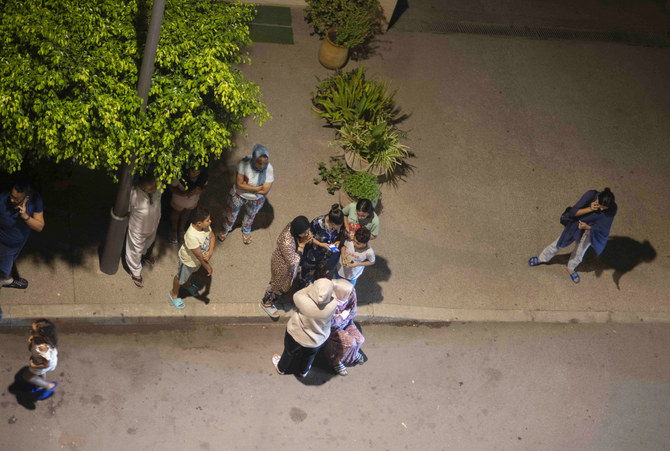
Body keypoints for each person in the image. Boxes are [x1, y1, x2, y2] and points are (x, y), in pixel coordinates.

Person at [529, 188, 617, 284]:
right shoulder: (591, 195)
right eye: (600, 206)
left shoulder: (612, 209)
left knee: (580, 252)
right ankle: (542, 258)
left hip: (590, 231)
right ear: (598, 199)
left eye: (604, 209)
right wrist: (590, 209)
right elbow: (573, 213)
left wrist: (588, 227)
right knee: (559, 243)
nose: (601, 209)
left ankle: (571, 267)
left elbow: (604, 228)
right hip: (576, 226)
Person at [272, 278, 337, 377]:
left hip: (296, 334)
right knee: (309, 355)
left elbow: (297, 294)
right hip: (317, 340)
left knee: (289, 351)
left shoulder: (304, 301)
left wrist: (311, 286)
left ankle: (281, 368)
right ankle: (303, 371)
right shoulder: (333, 304)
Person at [217, 144, 274, 245]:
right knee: (231, 213)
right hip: (238, 195)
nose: (262, 166)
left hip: (256, 199)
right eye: (259, 163)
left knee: (250, 216)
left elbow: (265, 190)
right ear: (254, 158)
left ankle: (246, 230)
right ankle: (226, 228)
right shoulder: (244, 164)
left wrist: (246, 187)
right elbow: (239, 185)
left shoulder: (269, 169)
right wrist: (257, 188)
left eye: (264, 163)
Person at [260, 216, 313, 319]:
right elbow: (293, 262)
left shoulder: (293, 228)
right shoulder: (286, 241)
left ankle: (276, 296)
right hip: (282, 266)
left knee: (284, 284)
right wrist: (302, 245)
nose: (307, 234)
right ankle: (266, 302)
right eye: (305, 232)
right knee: (276, 285)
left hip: (288, 263)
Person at [0, 181, 45, 289]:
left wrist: (25, 216)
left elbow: (39, 226)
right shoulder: (2, 200)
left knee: (10, 262)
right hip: (5, 245)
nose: (11, 200)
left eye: (16, 198)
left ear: (26, 197)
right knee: (3, 271)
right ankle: (6, 280)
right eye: (11, 195)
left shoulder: (35, 198)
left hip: (20, 241)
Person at [169, 207, 215, 309]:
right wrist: (208, 267)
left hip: (196, 262)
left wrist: (210, 252)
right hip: (188, 262)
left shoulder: (205, 227)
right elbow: (198, 255)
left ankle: (187, 284)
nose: (210, 221)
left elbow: (212, 236)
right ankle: (173, 294)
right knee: (180, 277)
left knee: (189, 274)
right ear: (199, 223)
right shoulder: (192, 236)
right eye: (207, 220)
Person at [125, 174, 162, 288]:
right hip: (138, 229)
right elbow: (127, 209)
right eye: (150, 188)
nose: (154, 189)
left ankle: (144, 254)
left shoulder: (158, 187)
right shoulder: (134, 194)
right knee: (134, 250)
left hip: (153, 225)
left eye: (154, 186)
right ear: (141, 186)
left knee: (149, 242)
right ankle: (135, 272)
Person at [323, 279, 366, 376]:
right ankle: (335, 361)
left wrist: (342, 317)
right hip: (333, 330)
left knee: (360, 340)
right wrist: (343, 316)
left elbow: (353, 311)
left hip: (346, 322)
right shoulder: (328, 301)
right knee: (350, 343)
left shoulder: (350, 292)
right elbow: (331, 323)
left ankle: (352, 355)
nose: (350, 295)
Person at [298, 204, 344, 286]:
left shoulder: (339, 222)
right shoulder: (317, 223)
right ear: (331, 221)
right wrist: (321, 244)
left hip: (326, 253)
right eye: (336, 226)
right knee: (308, 268)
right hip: (313, 252)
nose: (338, 228)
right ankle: (303, 281)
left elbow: (340, 234)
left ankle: (313, 277)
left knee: (319, 268)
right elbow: (308, 236)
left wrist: (338, 241)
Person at [169, 167, 208, 244]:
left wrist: (201, 190)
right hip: (179, 201)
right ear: (188, 169)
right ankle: (174, 230)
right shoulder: (180, 177)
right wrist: (182, 193)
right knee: (176, 213)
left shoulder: (201, 178)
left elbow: (206, 186)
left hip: (192, 202)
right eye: (193, 172)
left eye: (198, 172)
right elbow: (172, 187)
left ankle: (181, 229)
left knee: (186, 214)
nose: (195, 174)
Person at [22, 318, 58, 400]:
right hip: (44, 361)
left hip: (42, 363)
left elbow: (46, 364)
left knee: (28, 376)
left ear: (42, 335)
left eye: (33, 332)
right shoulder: (40, 339)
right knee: (41, 373)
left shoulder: (42, 348)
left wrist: (33, 365)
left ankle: (49, 386)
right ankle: (40, 383)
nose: (30, 332)